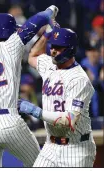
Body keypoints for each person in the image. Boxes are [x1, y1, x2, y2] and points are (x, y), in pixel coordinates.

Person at [0, 6, 59, 167]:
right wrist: (51, 10)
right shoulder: (10, 45)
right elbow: (35, 21)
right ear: (8, 31)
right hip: (7, 120)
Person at [18, 26, 96, 167]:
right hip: (51, 146)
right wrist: (46, 34)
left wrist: (35, 111)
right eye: (52, 46)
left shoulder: (79, 79)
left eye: (59, 47)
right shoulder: (50, 64)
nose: (53, 51)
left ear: (70, 49)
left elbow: (70, 120)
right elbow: (32, 56)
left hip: (76, 148)